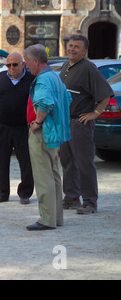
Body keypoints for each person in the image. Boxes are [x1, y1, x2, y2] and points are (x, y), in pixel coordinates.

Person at [59, 34, 114, 215]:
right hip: (65, 122)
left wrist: (95, 113)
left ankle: (90, 202)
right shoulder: (66, 66)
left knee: (84, 163)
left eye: (76, 47)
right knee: (67, 161)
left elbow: (105, 94)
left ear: (84, 51)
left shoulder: (89, 68)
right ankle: (72, 197)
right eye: (70, 45)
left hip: (80, 124)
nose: (72, 49)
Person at [23, 44, 72, 231]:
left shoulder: (43, 80)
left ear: (36, 62)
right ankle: (56, 217)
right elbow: (67, 99)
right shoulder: (55, 77)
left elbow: (44, 102)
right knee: (53, 174)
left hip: (44, 132)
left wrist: (37, 122)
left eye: (27, 63)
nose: (26, 67)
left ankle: (46, 219)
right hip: (55, 133)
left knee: (43, 176)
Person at [0, 52, 34, 204]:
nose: (11, 68)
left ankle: (25, 193)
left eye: (15, 64)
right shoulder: (0, 78)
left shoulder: (32, 81)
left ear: (23, 64)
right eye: (8, 65)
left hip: (23, 128)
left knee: (26, 162)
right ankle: (2, 192)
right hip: (2, 126)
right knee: (1, 160)